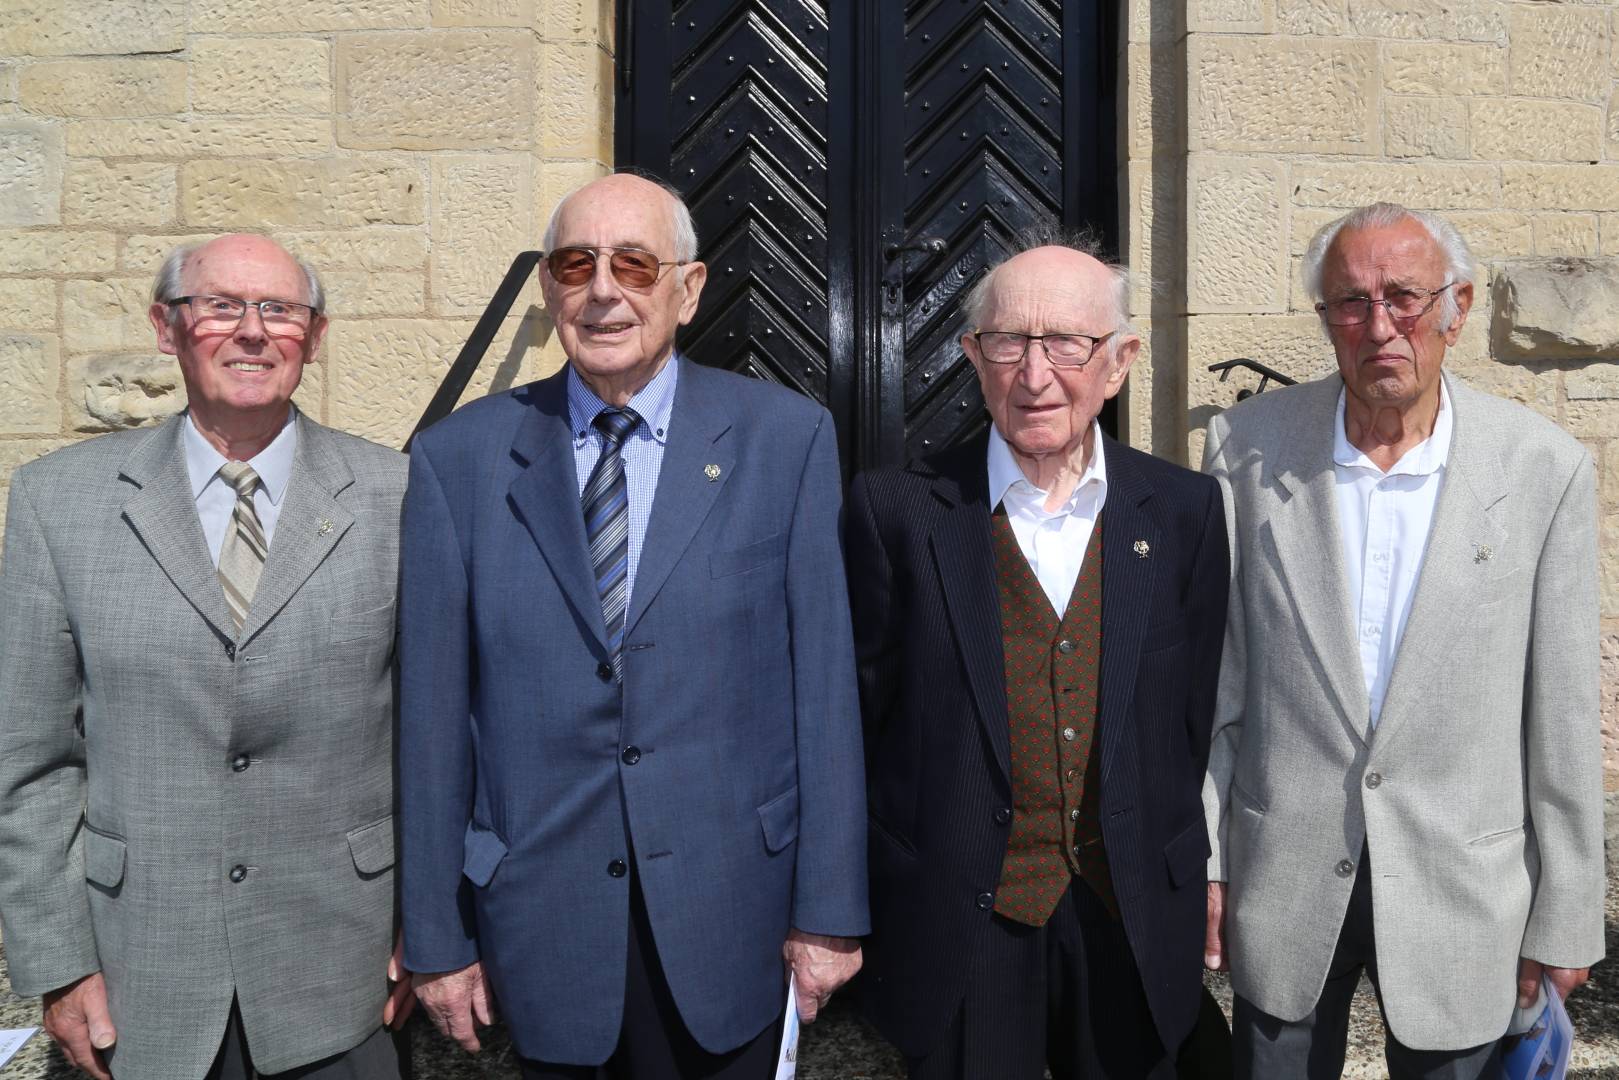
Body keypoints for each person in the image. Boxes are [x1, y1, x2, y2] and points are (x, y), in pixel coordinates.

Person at [398, 172, 868, 1079]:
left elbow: (823, 690)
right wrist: (435, 936)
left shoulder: (785, 439)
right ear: (549, 289)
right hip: (539, 921)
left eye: (635, 265)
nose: (603, 291)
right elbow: (431, 721)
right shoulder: (457, 460)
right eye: (576, 265)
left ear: (687, 290)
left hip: (733, 910)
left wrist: (830, 911)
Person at [1202, 202, 1605, 1078]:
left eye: (1403, 297)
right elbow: (1219, 680)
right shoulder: (1245, 449)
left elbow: (1563, 714)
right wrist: (1206, 857)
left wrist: (1568, 911)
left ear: (1456, 309)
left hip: (1465, 895)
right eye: (1350, 301)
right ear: (1325, 319)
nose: (1378, 325)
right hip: (1283, 877)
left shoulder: (1542, 467)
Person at [0, 234, 410, 1079]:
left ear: (314, 337)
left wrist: (431, 926)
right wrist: (58, 964)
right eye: (220, 306)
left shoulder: (396, 495)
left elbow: (437, 736)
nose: (252, 330)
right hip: (140, 972)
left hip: (344, 965)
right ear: (167, 327)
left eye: (280, 311)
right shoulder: (57, 501)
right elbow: (29, 764)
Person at [846, 234, 1229, 1079]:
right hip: (959, 923)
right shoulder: (895, 511)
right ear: (970, 356)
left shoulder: (1185, 511)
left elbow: (1195, 717)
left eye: (1066, 343)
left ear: (1118, 362)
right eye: (1007, 343)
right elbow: (860, 723)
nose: (1033, 373)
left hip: (1131, 914)